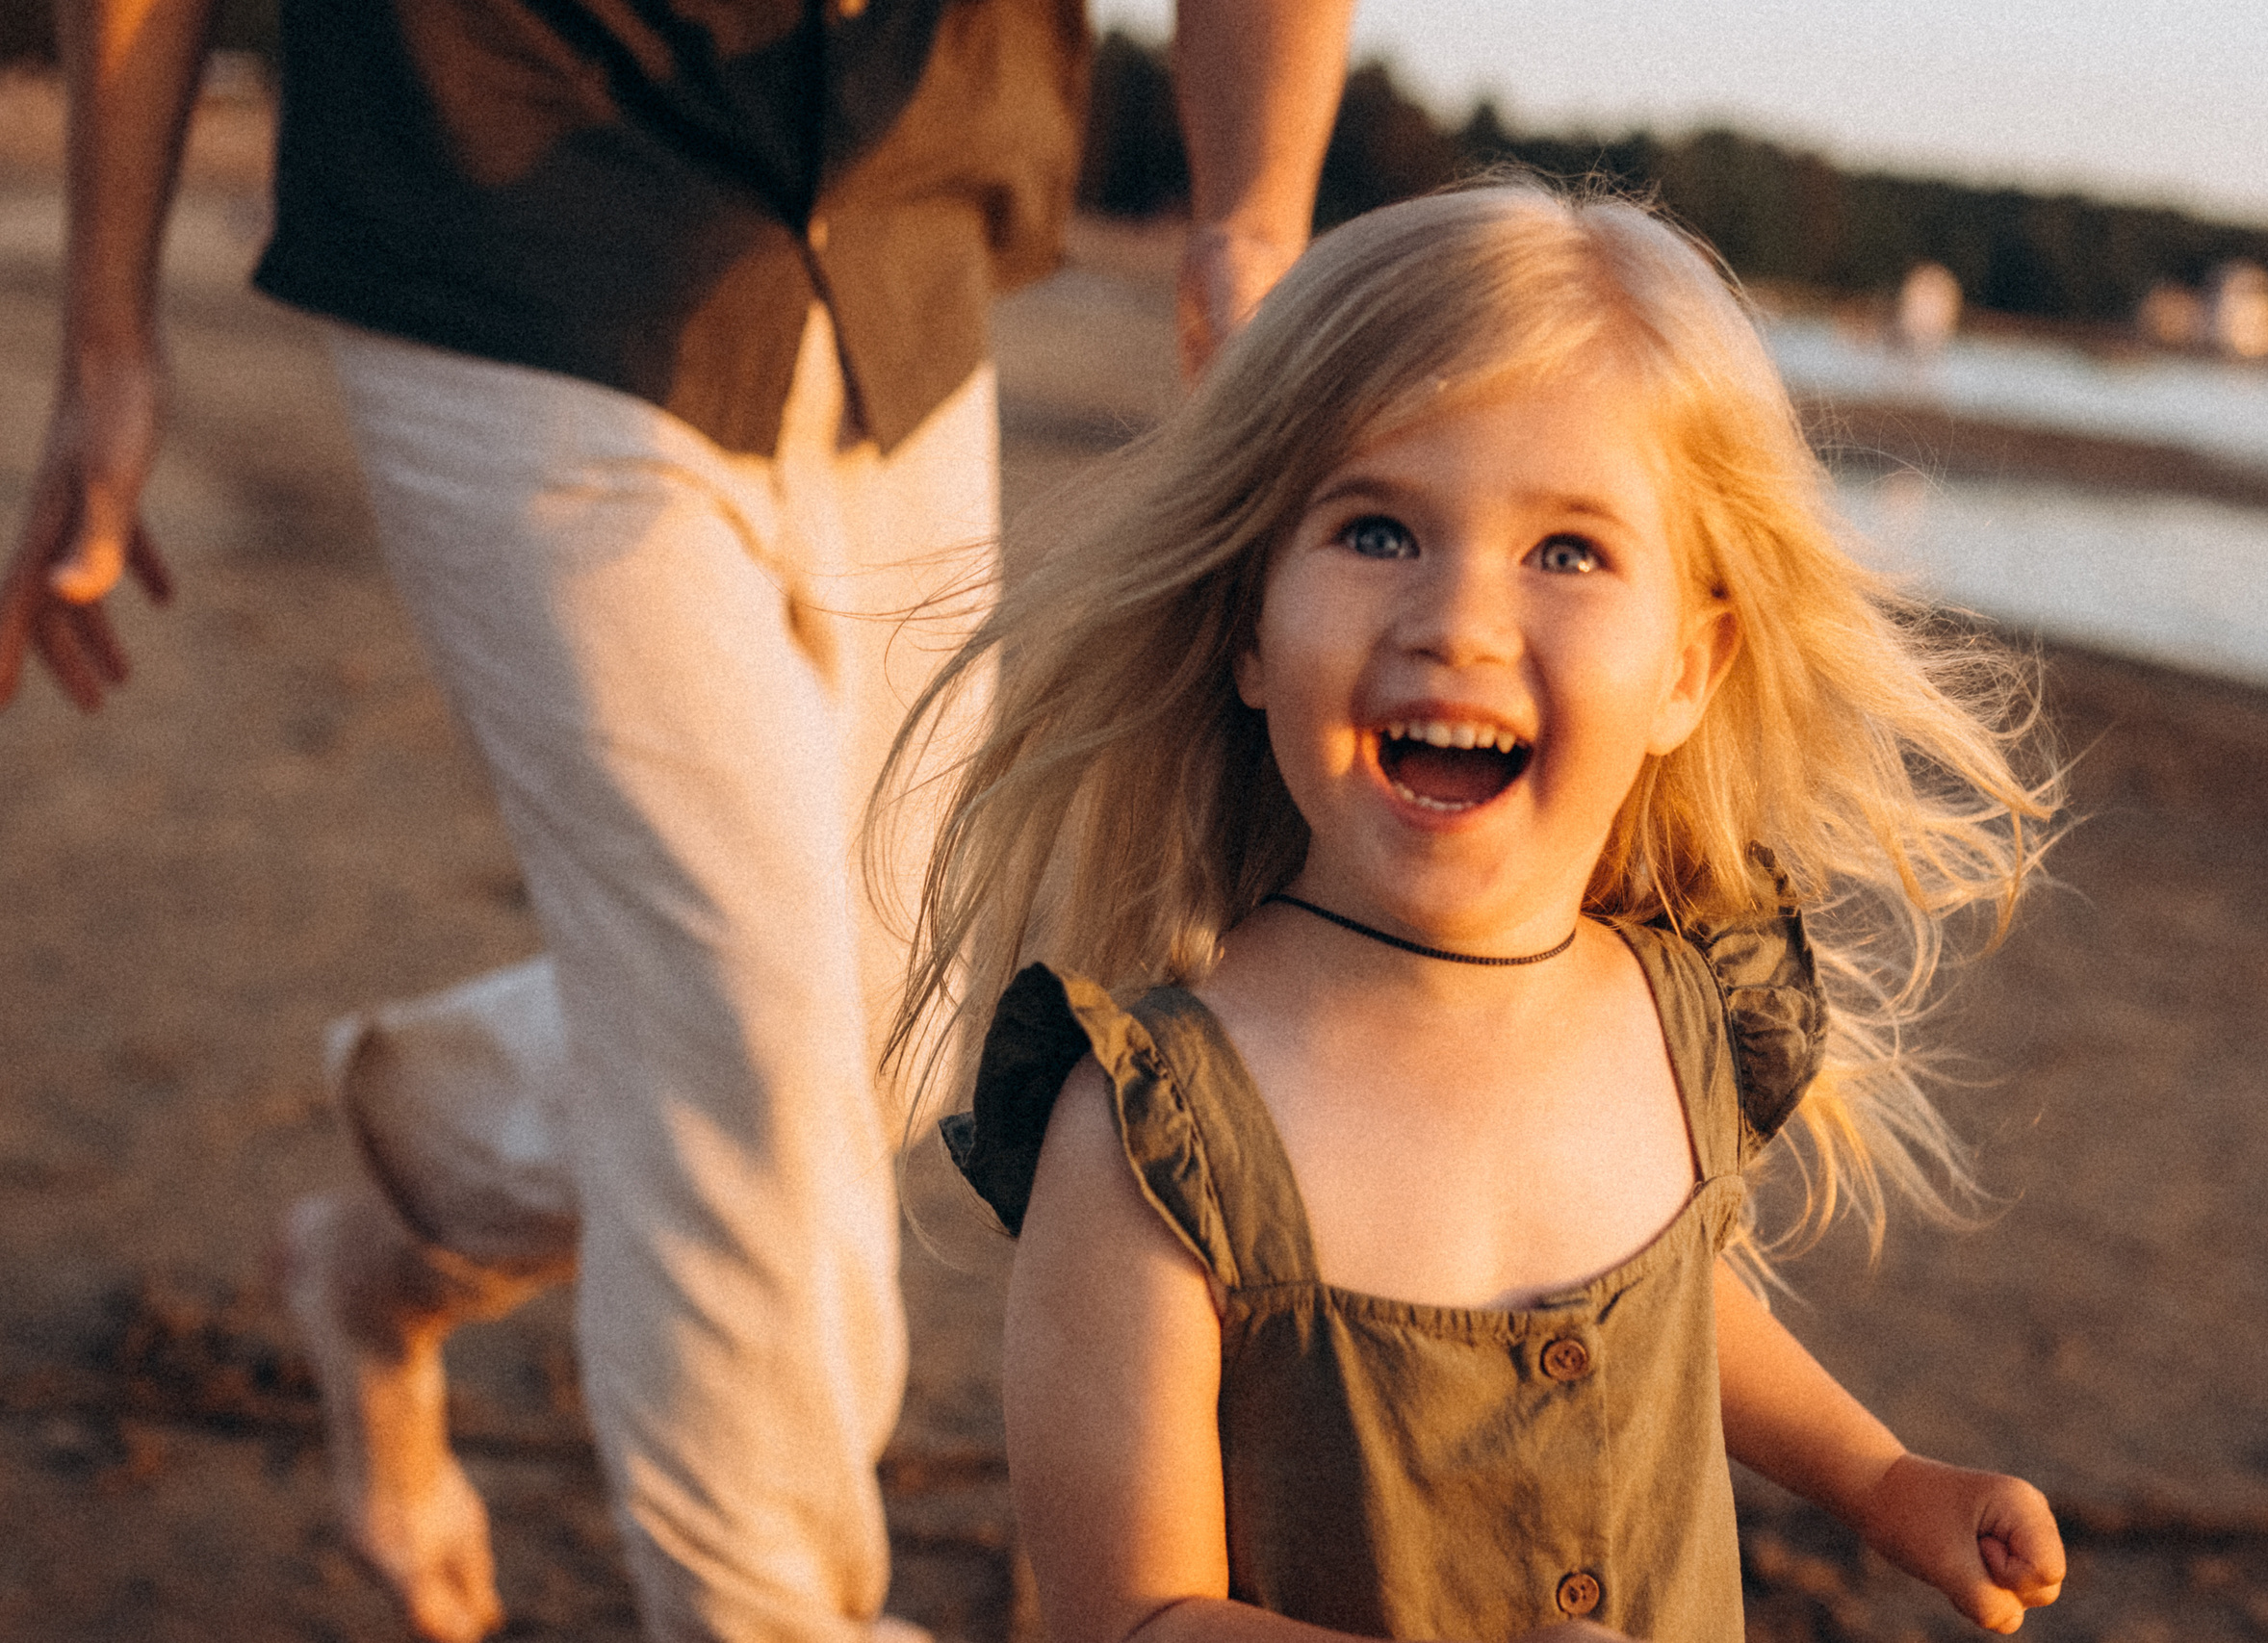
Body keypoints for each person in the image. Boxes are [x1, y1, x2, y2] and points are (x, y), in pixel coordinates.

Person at [0, 3, 1352, 1641]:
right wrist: (106, 348)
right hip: (505, 184)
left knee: (893, 1022)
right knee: (748, 1028)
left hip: (900, 238)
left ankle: (390, 1245)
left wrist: (1252, 214)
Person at [879, 180, 2071, 1642]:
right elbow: (1125, 1616)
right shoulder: (1159, 1133)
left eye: (1568, 552)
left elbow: (1669, 1320)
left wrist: (1883, 1480)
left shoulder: (1673, 1014)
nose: (1457, 619)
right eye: (1377, 531)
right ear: (1248, 625)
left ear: (1690, 671)